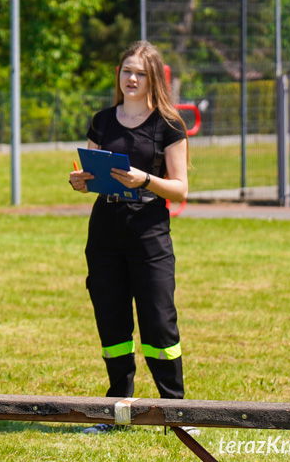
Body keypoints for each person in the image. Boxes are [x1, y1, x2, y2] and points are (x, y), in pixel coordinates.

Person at [69, 41, 189, 433]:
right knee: (112, 322)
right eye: (126, 71)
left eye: (139, 72)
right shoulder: (103, 120)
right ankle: (116, 411)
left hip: (149, 230)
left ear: (152, 77)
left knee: (158, 322)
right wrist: (81, 182)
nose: (131, 78)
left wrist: (146, 180)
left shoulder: (168, 125)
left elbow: (180, 188)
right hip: (105, 227)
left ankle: (179, 414)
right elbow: (91, 171)